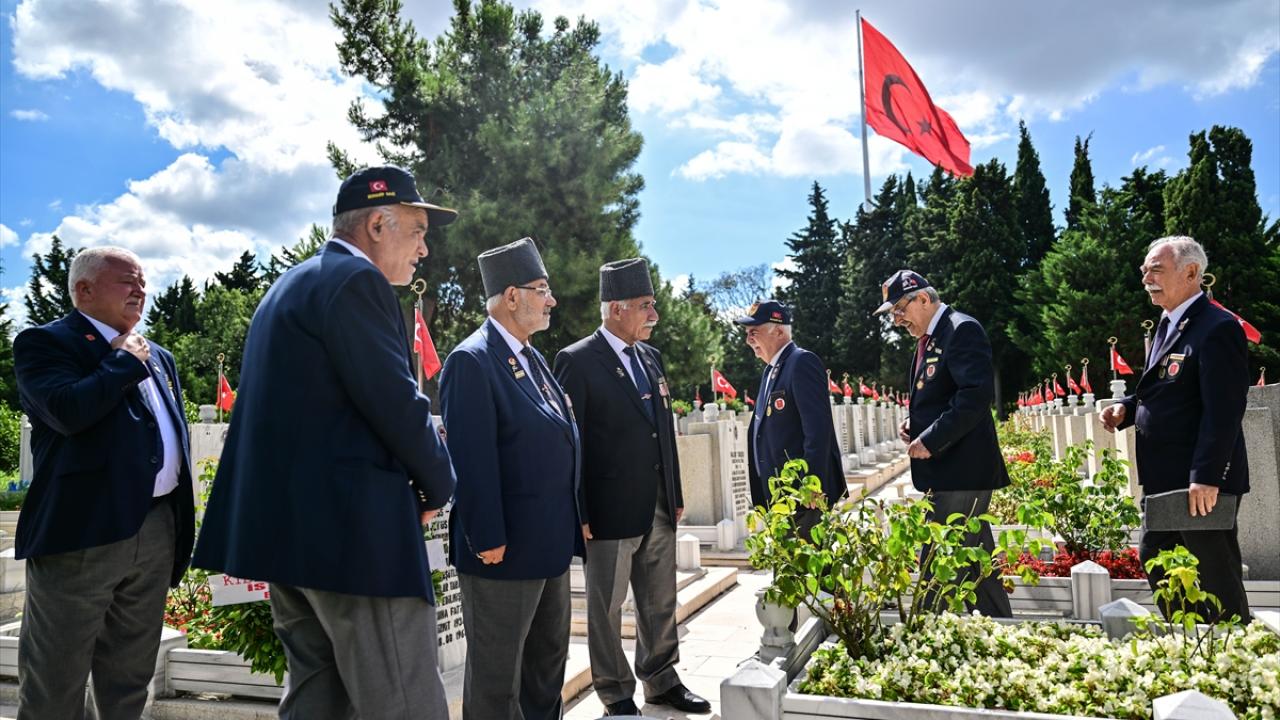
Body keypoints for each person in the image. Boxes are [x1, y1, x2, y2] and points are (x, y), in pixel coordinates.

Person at [192, 166, 458, 719]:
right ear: (379, 225)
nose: (424, 249)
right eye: (417, 230)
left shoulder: (294, 282)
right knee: (403, 700)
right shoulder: (357, 282)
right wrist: (439, 483)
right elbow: (396, 402)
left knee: (316, 697)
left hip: (293, 539)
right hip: (356, 541)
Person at [12, 246, 196, 720]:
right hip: (82, 536)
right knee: (56, 678)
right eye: (127, 281)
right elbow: (68, 412)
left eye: (142, 281)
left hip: (156, 528)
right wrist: (123, 362)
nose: (140, 290)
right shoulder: (45, 343)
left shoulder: (159, 355)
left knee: (131, 676)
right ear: (84, 290)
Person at [553, 258, 711, 717]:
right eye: (646, 306)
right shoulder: (577, 360)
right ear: (616, 308)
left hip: (658, 505)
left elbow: (663, 430)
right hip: (606, 509)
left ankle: (661, 681)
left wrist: (676, 495)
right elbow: (572, 440)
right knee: (605, 609)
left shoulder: (651, 358)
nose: (654, 316)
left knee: (660, 601)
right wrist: (578, 509)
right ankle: (615, 693)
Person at [440, 237, 582, 720]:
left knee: (546, 669)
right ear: (511, 295)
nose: (552, 300)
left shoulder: (533, 357)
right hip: (503, 551)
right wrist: (488, 538)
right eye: (542, 289)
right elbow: (472, 459)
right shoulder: (471, 360)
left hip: (549, 544)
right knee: (497, 681)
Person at [1100, 236, 1250, 623]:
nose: (1146, 277)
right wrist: (1127, 409)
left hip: (1197, 481)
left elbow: (1224, 411)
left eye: (1156, 269)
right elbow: (1165, 392)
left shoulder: (1217, 328)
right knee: (1156, 558)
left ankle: (1235, 651)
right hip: (1164, 477)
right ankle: (1190, 640)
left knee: (1215, 575)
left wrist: (1207, 476)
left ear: (1191, 272)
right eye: (1144, 270)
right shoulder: (1168, 324)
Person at [874, 270, 1012, 618]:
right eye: (891, 313)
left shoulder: (960, 329)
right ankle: (1000, 625)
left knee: (939, 555)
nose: (896, 319)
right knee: (974, 560)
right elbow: (939, 395)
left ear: (924, 298)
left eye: (899, 309)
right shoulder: (931, 339)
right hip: (949, 470)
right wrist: (916, 425)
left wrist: (932, 439)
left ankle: (923, 632)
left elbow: (974, 397)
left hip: (961, 467)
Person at [736, 300, 846, 533]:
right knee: (788, 568)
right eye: (746, 333)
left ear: (778, 330)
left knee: (807, 569)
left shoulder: (801, 362)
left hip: (804, 497)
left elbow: (818, 430)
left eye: (754, 332)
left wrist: (812, 484)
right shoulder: (771, 371)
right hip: (780, 498)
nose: (748, 340)